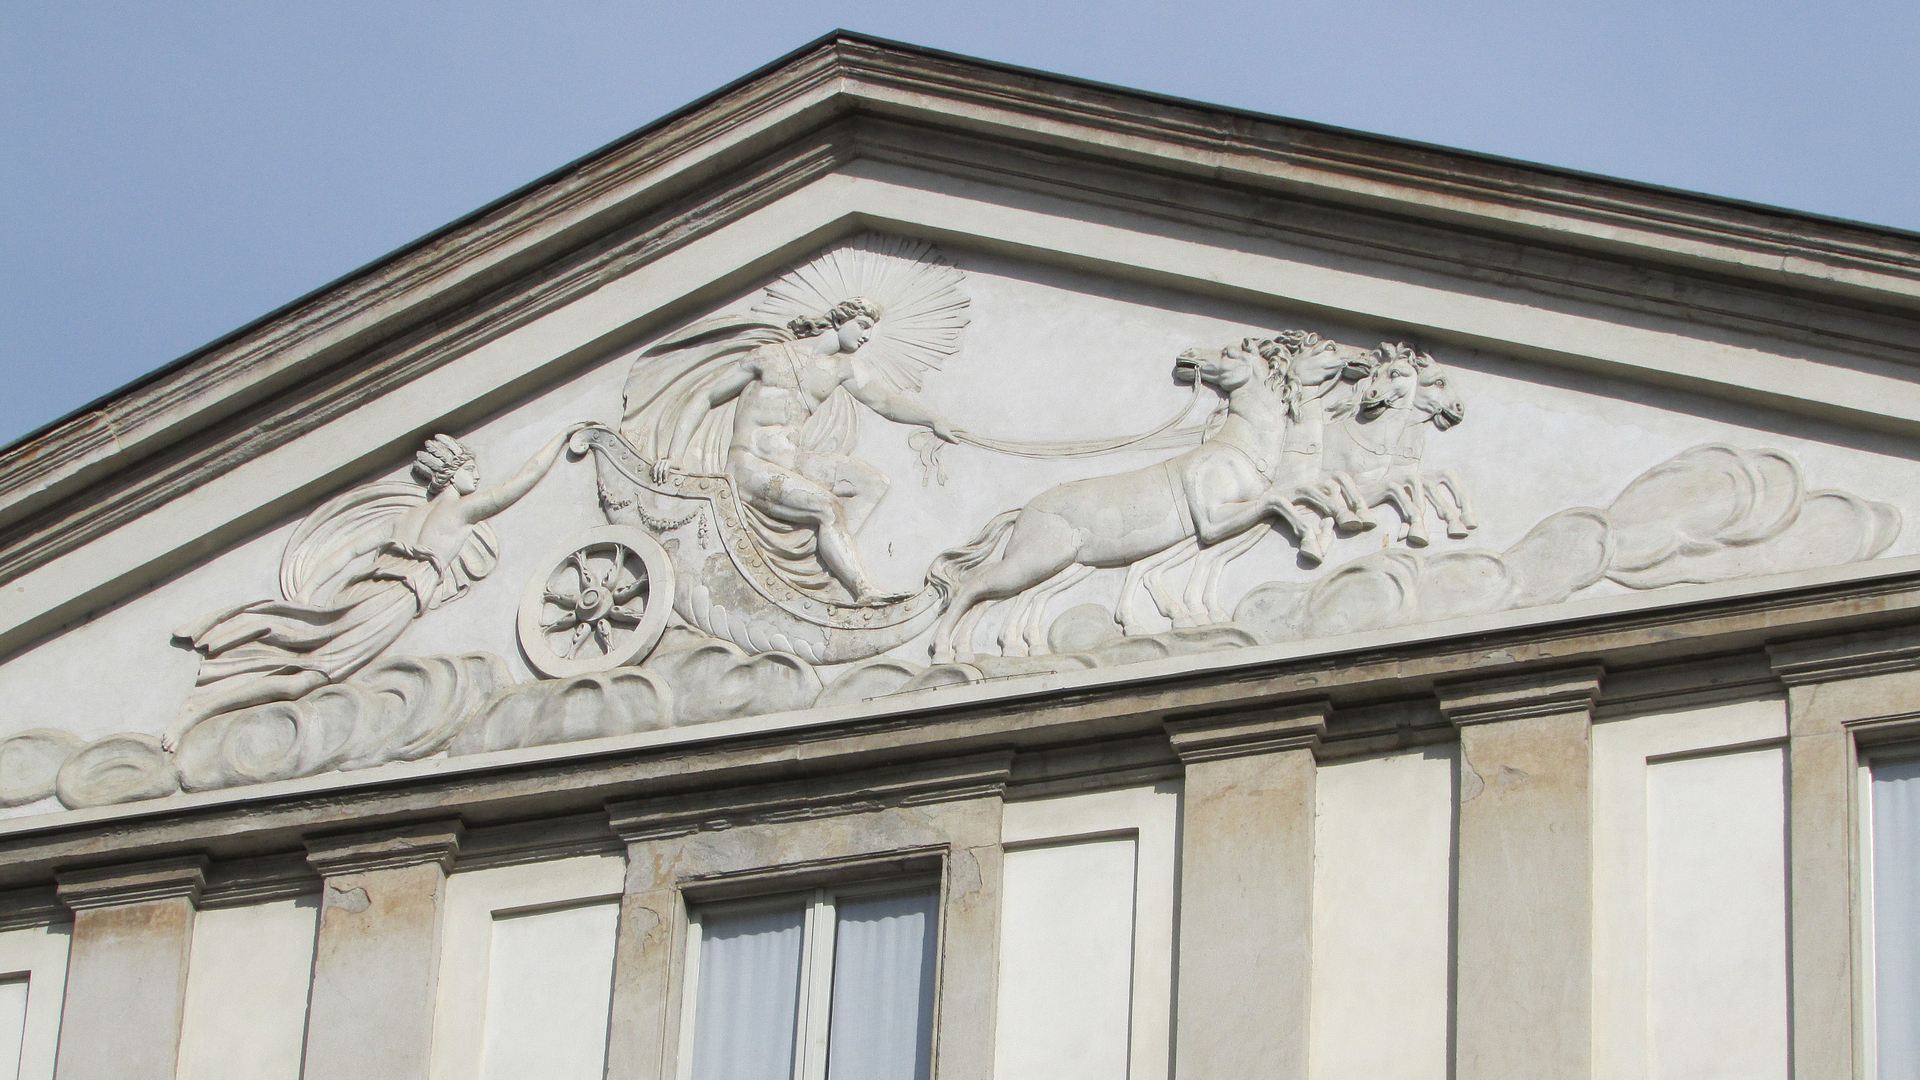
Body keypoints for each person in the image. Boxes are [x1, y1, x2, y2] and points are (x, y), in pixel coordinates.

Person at [164, 424, 588, 750]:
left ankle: (206, 702)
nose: (477, 477)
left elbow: (346, 553)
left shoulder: (402, 518)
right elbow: (520, 482)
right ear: (453, 475)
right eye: (471, 469)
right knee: (308, 679)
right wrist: (560, 439)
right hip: (391, 601)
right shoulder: (460, 513)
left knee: (307, 658)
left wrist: (307, 595)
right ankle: (202, 709)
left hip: (366, 592)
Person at [651, 297, 961, 605]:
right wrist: (674, 455)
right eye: (863, 326)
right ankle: (861, 589)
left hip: (790, 463)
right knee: (828, 507)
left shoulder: (841, 368)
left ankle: (825, 559)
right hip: (750, 465)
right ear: (841, 320)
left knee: (872, 482)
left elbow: (885, 403)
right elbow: (706, 396)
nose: (866, 337)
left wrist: (932, 420)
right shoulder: (770, 357)